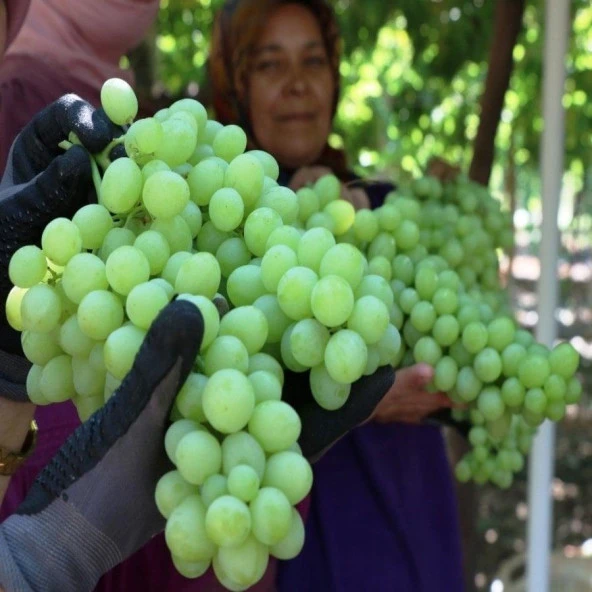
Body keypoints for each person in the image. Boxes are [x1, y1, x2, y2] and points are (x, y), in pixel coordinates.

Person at [208, 1, 465, 590]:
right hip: (300, 528)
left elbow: (474, 369)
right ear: (236, 83)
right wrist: (362, 403)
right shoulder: (210, 230)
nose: (297, 84)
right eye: (270, 65)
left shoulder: (389, 205)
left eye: (314, 61)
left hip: (415, 510)